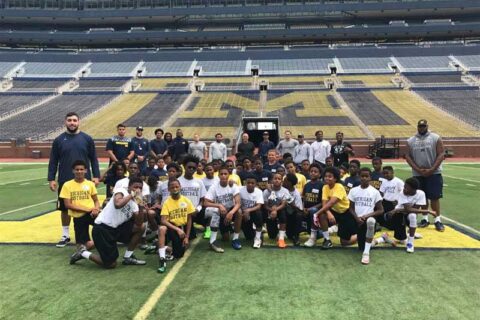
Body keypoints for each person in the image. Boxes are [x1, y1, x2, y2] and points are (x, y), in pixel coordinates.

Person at [48, 112, 100, 247]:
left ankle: (85, 237)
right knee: (65, 208)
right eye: (69, 120)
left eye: (74, 120)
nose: (72, 123)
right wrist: (51, 178)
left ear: (79, 122)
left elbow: (93, 158)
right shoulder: (59, 140)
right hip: (65, 179)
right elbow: (53, 160)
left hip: (85, 180)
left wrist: (96, 175)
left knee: (85, 206)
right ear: (65, 122)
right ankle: (65, 235)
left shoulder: (87, 139)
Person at [69, 177, 147, 268]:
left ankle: (128, 257)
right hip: (102, 228)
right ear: (129, 187)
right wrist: (132, 195)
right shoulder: (122, 191)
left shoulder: (134, 204)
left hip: (115, 229)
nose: (138, 190)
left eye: (140, 188)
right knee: (111, 264)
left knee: (141, 227)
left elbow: (138, 223)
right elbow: (117, 204)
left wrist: (141, 206)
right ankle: (83, 253)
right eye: (135, 187)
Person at [405, 119, 445, 232]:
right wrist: (418, 169)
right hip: (418, 173)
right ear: (417, 127)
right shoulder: (411, 140)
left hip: (434, 173)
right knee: (422, 197)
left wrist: (432, 169)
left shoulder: (435, 137)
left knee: (435, 197)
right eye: (420, 126)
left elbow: (441, 154)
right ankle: (425, 219)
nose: (422, 128)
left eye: (423, 126)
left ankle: (437, 220)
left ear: (427, 126)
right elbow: (407, 156)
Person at [381, 177, 437, 253]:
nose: (404, 189)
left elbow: (414, 210)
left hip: (404, 214)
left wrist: (397, 209)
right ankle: (406, 234)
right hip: (397, 216)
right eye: (404, 186)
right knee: (401, 240)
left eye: (407, 187)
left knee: (413, 215)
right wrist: (428, 211)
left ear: (414, 189)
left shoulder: (421, 194)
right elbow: (409, 209)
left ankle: (411, 241)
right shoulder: (402, 193)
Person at [60, 160, 100, 264]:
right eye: (77, 169)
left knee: (106, 230)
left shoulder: (90, 184)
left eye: (81, 169)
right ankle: (81, 252)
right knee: (81, 246)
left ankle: (95, 245)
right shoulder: (67, 185)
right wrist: (87, 209)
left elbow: (96, 200)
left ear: (86, 170)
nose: (79, 171)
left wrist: (96, 209)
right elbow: (68, 205)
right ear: (73, 171)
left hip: (92, 214)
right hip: (79, 216)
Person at [157, 179, 194, 273]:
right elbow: (163, 220)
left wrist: (187, 237)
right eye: (172, 187)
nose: (175, 189)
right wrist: (177, 229)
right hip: (172, 227)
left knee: (178, 254)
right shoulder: (166, 202)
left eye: (177, 186)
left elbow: (189, 220)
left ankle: (162, 247)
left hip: (183, 227)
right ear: (169, 189)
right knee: (162, 228)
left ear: (180, 187)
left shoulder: (186, 201)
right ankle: (162, 260)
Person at [348, 168, 384, 265]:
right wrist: (357, 219)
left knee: (371, 221)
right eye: (362, 176)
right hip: (357, 220)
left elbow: (381, 210)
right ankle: (380, 239)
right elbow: (350, 208)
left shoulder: (375, 192)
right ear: (359, 177)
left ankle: (366, 253)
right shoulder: (353, 191)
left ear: (370, 177)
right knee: (361, 246)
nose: (364, 178)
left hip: (368, 220)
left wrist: (367, 216)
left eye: (366, 176)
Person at [315, 167, 357, 249]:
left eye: (330, 176)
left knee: (344, 242)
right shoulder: (325, 187)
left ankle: (360, 235)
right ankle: (327, 240)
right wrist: (328, 213)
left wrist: (316, 213)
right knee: (322, 215)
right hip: (334, 211)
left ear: (335, 178)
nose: (327, 178)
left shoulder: (339, 187)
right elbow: (324, 203)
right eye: (326, 176)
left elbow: (331, 202)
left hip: (346, 213)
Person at [204, 166, 242, 252]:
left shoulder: (233, 186)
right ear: (218, 175)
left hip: (230, 210)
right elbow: (205, 203)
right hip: (221, 212)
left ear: (229, 175)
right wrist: (219, 206)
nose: (224, 176)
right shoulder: (214, 187)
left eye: (225, 174)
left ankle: (235, 239)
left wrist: (231, 212)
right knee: (225, 238)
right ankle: (212, 241)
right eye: (221, 174)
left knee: (239, 212)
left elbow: (238, 203)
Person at [178, 154, 207, 238]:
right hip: (183, 212)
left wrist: (197, 209)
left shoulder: (199, 182)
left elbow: (202, 199)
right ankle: (192, 229)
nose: (191, 169)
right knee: (189, 237)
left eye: (194, 168)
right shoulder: (178, 181)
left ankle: (208, 230)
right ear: (184, 166)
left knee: (212, 211)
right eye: (189, 167)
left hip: (196, 211)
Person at [263, 172, 292, 248]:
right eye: (275, 178)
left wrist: (275, 210)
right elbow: (265, 205)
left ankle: (281, 238)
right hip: (270, 211)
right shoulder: (266, 191)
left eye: (279, 179)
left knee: (283, 213)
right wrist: (271, 210)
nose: (277, 180)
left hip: (280, 210)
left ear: (282, 181)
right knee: (272, 236)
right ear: (272, 180)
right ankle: (275, 229)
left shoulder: (285, 191)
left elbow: (283, 204)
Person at [239, 174, 265, 248]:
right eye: (248, 183)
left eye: (252, 183)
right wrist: (244, 212)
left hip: (253, 212)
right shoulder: (240, 190)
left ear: (256, 184)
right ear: (245, 183)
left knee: (258, 213)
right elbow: (237, 202)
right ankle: (256, 231)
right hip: (244, 214)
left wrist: (248, 210)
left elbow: (259, 206)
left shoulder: (259, 192)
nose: (250, 184)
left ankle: (257, 238)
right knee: (249, 237)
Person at [303, 163, 324, 247]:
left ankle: (313, 238)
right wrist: (304, 208)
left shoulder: (322, 185)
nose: (313, 173)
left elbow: (323, 202)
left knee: (313, 211)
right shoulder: (307, 185)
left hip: (317, 210)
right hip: (307, 210)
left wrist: (310, 208)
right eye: (311, 171)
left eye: (315, 172)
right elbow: (304, 198)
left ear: (319, 174)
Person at [282, 173, 304, 246]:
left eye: (285, 181)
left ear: (290, 183)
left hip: (291, 214)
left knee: (299, 215)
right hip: (282, 212)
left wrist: (291, 203)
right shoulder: (281, 189)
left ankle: (296, 236)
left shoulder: (296, 193)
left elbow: (299, 209)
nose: (283, 182)